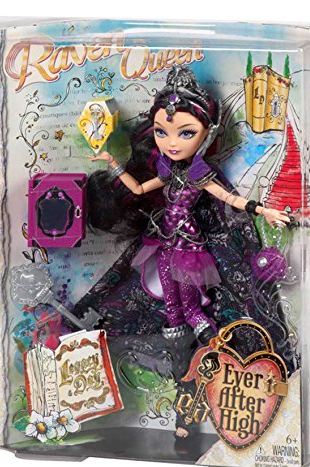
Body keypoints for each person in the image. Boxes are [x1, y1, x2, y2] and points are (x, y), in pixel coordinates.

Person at [77, 65, 292, 438]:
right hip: (164, 249)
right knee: (174, 319)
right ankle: (184, 398)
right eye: (162, 132)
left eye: (186, 133)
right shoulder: (168, 170)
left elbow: (231, 200)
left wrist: (264, 210)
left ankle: (215, 355)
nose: (171, 142)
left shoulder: (200, 175)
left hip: (191, 253)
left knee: (193, 314)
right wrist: (113, 164)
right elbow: (139, 189)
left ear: (208, 134)